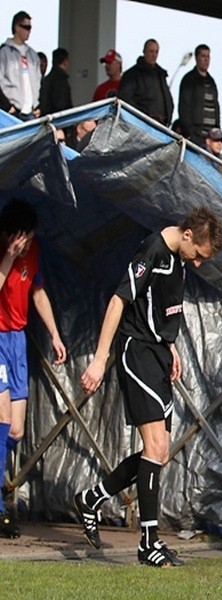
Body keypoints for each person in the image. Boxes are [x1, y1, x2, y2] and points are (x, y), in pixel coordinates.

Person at [73, 207, 222, 567]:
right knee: (155, 446)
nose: (199, 263)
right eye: (199, 255)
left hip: (157, 352)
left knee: (159, 451)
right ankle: (148, 542)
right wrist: (99, 358)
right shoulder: (153, 251)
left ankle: (92, 498)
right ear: (187, 236)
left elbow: (159, 307)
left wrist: (170, 346)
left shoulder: (179, 260)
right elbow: (119, 300)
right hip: (135, 351)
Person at [0, 199, 67, 537]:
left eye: (29, 238)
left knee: (15, 431)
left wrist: (54, 334)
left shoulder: (34, 248)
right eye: (22, 237)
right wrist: (9, 256)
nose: (26, 243)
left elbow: (37, 291)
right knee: (1, 421)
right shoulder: (5, 250)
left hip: (17, 341)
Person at [118, 39, 173, 126]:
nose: (154, 55)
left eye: (156, 52)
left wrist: (168, 119)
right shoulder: (132, 75)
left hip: (161, 127)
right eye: (151, 51)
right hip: (140, 126)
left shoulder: (161, 75)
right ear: (144, 52)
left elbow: (168, 100)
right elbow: (125, 100)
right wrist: (145, 116)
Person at [0, 11, 41, 120]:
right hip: (12, 112)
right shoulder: (4, 52)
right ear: (17, 27)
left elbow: (39, 81)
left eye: (30, 27)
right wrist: (7, 106)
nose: (29, 31)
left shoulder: (33, 55)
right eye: (26, 27)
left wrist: (38, 105)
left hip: (31, 112)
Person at [177, 44, 219, 147]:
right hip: (196, 137)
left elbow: (216, 107)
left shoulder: (211, 82)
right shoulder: (189, 80)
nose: (206, 60)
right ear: (196, 58)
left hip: (211, 138)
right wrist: (190, 134)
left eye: (208, 56)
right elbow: (184, 107)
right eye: (203, 56)